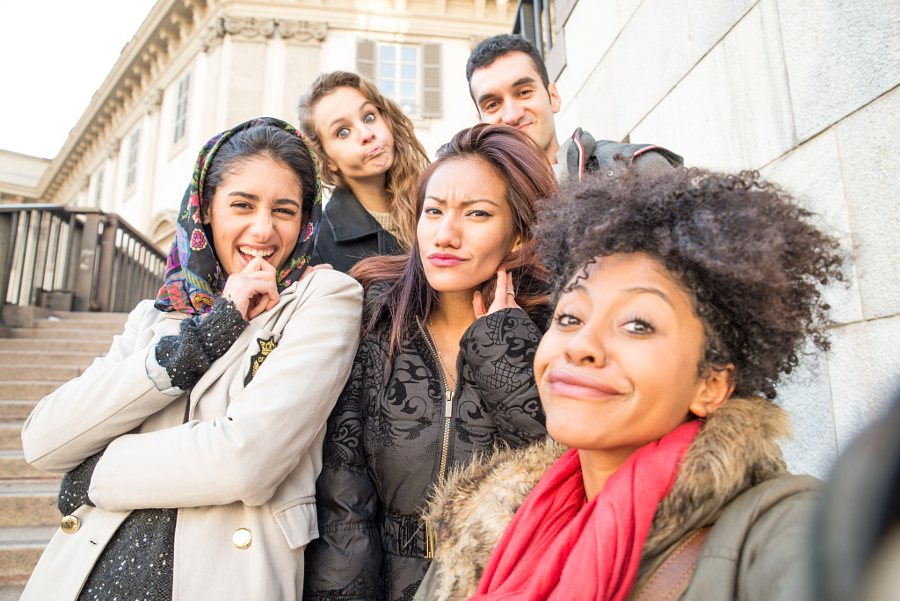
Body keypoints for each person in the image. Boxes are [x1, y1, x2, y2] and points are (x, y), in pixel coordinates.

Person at [418, 169, 845, 601]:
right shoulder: (487, 516)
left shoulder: (782, 530)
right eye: (569, 318)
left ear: (712, 384)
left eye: (637, 325)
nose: (581, 344)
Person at [19, 118, 364, 601]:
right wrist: (207, 333)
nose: (263, 230)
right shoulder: (156, 318)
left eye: (283, 210)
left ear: (306, 221)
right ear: (205, 211)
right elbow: (42, 440)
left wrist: (92, 473)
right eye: (242, 205)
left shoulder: (323, 297)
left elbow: (246, 459)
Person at [304, 124, 556, 601]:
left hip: (505, 583)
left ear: (520, 232)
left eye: (476, 214)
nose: (445, 234)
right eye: (433, 211)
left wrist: (505, 349)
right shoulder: (375, 315)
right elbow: (344, 496)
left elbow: (561, 469)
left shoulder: (556, 330)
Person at [466, 34, 683, 181]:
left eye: (523, 92)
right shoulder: (476, 204)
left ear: (553, 97)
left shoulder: (633, 168)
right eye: (493, 104)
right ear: (481, 122)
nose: (512, 115)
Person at [298, 71, 430, 273]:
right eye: (343, 132)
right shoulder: (318, 247)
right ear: (327, 159)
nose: (367, 134)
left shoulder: (434, 202)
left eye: (369, 117)